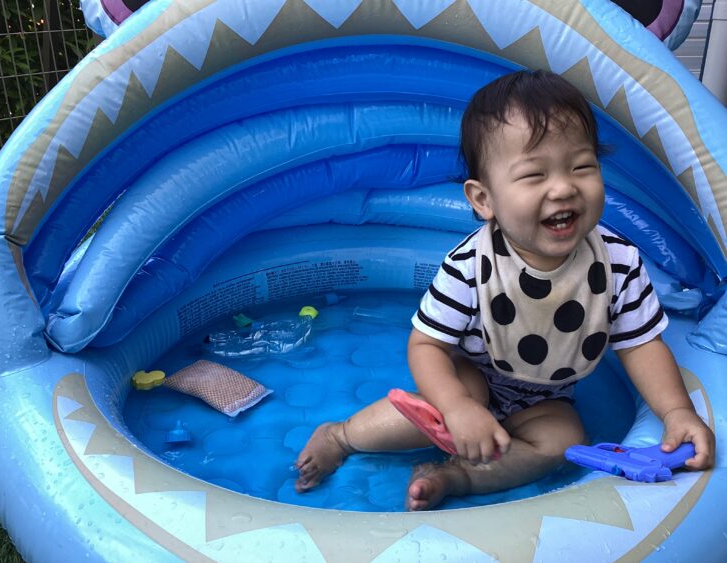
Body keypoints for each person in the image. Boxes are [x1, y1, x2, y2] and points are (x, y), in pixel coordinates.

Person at [294, 70, 716, 511]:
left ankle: (456, 476)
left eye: (582, 166)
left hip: (546, 397)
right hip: (473, 377)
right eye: (534, 174)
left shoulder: (618, 263)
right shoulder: (470, 267)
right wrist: (457, 407)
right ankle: (341, 436)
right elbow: (426, 345)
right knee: (435, 411)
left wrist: (676, 412)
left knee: (563, 440)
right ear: (483, 200)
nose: (564, 187)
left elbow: (641, 345)